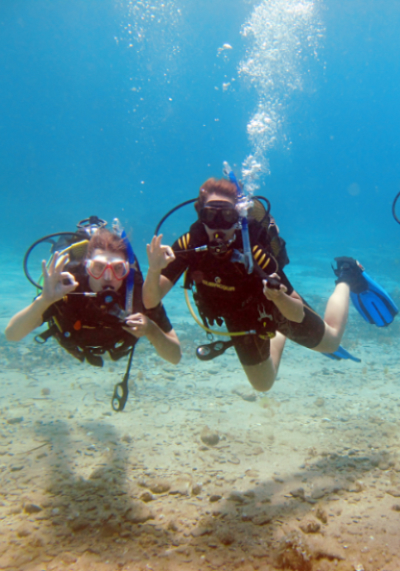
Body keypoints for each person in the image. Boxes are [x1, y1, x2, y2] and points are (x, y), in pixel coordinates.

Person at [143, 177, 397, 392]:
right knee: (263, 385)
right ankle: (276, 333)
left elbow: (295, 312)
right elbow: (150, 301)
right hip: (237, 317)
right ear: (200, 213)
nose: (218, 227)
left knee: (330, 342)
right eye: (211, 215)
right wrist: (154, 271)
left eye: (228, 216)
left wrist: (278, 298)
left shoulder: (254, 252)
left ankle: (347, 276)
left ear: (238, 216)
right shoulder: (188, 244)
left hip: (272, 305)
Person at [6, 226, 181, 409]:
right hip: (72, 342)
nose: (107, 277)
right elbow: (12, 334)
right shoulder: (67, 290)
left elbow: (175, 356)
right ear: (86, 267)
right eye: (98, 267)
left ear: (126, 271)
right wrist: (44, 301)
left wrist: (151, 330)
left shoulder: (136, 294)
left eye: (117, 269)